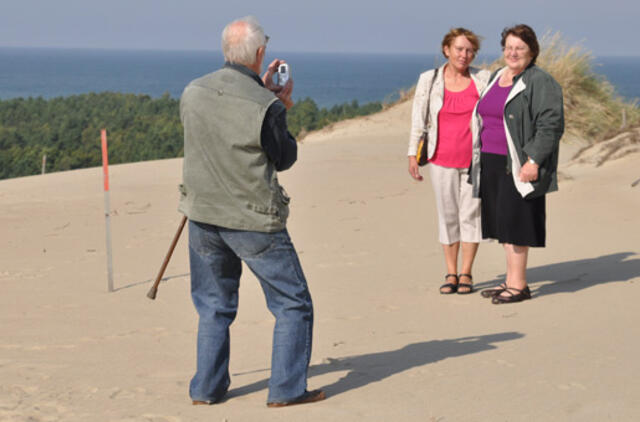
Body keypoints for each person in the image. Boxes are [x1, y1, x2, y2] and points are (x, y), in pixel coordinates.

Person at [178, 16, 324, 407]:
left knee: (213, 307)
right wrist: (280, 105)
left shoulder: (193, 91)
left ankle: (206, 389)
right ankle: (287, 390)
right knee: (293, 302)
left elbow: (219, 126)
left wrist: (265, 95)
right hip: (252, 219)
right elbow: (285, 157)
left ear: (226, 51)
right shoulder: (266, 104)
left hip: (203, 215)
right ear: (260, 54)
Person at [470, 24, 564, 304]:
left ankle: (519, 285)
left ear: (532, 51)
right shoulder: (499, 75)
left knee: (517, 223)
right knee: (503, 225)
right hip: (491, 161)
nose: (513, 53)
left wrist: (533, 160)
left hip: (518, 163)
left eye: (519, 48)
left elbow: (550, 125)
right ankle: (510, 280)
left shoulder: (539, 81)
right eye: (508, 47)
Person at [408, 28, 490, 295]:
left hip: (475, 161)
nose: (464, 55)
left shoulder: (483, 79)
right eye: (459, 49)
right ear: (446, 50)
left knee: (471, 215)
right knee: (448, 215)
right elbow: (418, 119)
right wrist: (412, 154)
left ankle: (466, 273)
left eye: (469, 51)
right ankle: (450, 272)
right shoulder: (429, 79)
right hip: (440, 159)